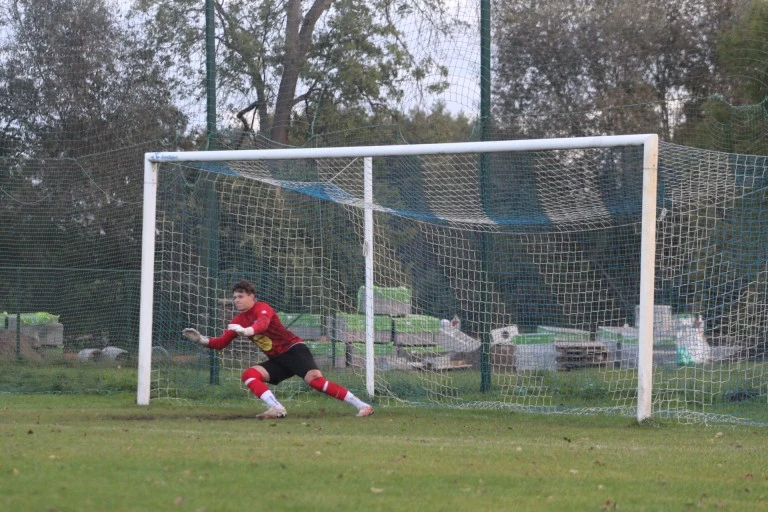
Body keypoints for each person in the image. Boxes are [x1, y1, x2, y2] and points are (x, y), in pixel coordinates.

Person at [182, 280, 374, 419]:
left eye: (241, 296)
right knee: (249, 375)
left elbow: (262, 325)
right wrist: (202, 340)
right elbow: (221, 343)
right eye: (234, 297)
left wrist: (247, 330)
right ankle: (277, 408)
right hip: (278, 360)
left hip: (294, 350)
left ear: (252, 297)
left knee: (316, 382)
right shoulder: (237, 321)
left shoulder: (262, 308)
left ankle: (363, 406)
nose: (236, 300)